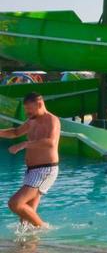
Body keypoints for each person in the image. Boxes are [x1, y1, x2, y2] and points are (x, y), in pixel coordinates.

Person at [0, 92, 61, 228]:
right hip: (32, 171)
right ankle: (29, 245)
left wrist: (24, 144)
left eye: (29, 110)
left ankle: (44, 228)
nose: (27, 113)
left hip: (45, 170)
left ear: (39, 104)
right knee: (25, 217)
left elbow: (50, 142)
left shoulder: (52, 120)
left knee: (15, 203)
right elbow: (16, 132)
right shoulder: (32, 121)